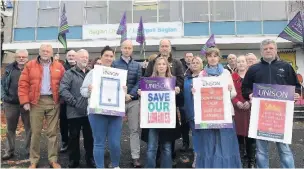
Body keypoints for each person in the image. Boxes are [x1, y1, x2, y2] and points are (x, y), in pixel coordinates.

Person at [242, 39, 301, 168]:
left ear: (275, 50)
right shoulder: (253, 69)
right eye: (265, 49)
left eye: (270, 48)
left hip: (281, 116)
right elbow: (245, 89)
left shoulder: (286, 67)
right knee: (262, 151)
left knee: (284, 149)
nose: (268, 50)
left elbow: (296, 86)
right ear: (261, 51)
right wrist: (249, 94)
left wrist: (296, 94)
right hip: (261, 116)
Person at [18, 44, 65, 168]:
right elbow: (23, 84)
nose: (45, 52)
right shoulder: (30, 65)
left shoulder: (59, 66)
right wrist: (25, 101)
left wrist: (62, 99)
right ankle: (34, 160)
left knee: (52, 132)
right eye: (43, 50)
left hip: (53, 101)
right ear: (39, 52)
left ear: (51, 53)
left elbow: (64, 83)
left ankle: (53, 159)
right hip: (35, 102)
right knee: (35, 132)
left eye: (48, 51)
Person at [194, 47, 241, 168]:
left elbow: (233, 94)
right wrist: (195, 91)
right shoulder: (202, 74)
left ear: (219, 58)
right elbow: (198, 96)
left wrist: (230, 90)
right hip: (208, 114)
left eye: (215, 56)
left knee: (225, 142)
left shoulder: (226, 73)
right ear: (207, 58)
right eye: (210, 56)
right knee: (209, 143)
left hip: (224, 114)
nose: (213, 58)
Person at [81, 46, 126, 169]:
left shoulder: (118, 74)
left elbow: (122, 95)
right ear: (101, 57)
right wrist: (89, 90)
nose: (109, 58)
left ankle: (116, 166)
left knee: (115, 143)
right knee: (99, 143)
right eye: (106, 55)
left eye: (111, 56)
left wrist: (124, 92)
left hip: (115, 112)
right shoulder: (93, 73)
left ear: (114, 58)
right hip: (96, 112)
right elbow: (83, 91)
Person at [144, 39, 183, 164]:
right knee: (152, 147)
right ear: (159, 48)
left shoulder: (177, 63)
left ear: (170, 48)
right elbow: (145, 81)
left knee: (167, 146)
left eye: (167, 46)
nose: (165, 48)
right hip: (153, 114)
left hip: (168, 111)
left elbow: (180, 80)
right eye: (162, 46)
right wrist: (142, 91)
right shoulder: (151, 63)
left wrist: (177, 88)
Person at [59, 49, 95, 168]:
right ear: (76, 59)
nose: (84, 59)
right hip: (74, 111)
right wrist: (74, 102)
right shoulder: (69, 73)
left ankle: (90, 159)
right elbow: (63, 90)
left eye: (86, 57)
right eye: (82, 57)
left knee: (89, 137)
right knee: (73, 137)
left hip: (89, 112)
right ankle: (74, 160)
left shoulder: (92, 73)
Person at [112, 40, 142, 167]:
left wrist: (130, 95)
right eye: (125, 48)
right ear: (121, 49)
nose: (127, 50)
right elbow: (112, 81)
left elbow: (139, 82)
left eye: (129, 48)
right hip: (117, 101)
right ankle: (115, 159)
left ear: (132, 50)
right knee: (115, 131)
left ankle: (135, 157)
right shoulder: (114, 64)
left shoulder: (137, 65)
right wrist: (123, 95)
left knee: (134, 130)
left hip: (133, 101)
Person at [1, 49, 31, 160]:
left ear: (27, 58)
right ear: (16, 57)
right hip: (10, 103)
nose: (21, 58)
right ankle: (9, 151)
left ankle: (28, 150)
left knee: (29, 127)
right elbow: (2, 83)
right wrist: (3, 96)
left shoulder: (31, 68)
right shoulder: (9, 68)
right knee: (10, 128)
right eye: (19, 57)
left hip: (27, 103)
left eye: (23, 57)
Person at [232, 55, 255, 168]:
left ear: (247, 63)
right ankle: (240, 160)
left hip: (250, 109)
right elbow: (230, 92)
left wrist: (250, 102)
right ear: (236, 64)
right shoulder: (232, 77)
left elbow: (256, 90)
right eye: (238, 62)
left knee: (250, 136)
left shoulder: (252, 76)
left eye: (243, 61)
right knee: (239, 136)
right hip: (238, 110)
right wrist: (237, 102)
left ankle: (251, 160)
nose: (241, 63)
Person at [183, 55, 203, 168]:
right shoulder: (186, 79)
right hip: (191, 112)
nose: (194, 64)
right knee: (195, 135)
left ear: (201, 65)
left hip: (205, 113)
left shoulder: (206, 77)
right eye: (192, 63)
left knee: (205, 136)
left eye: (197, 62)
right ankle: (197, 157)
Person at [60, 50, 77, 153]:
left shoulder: (80, 67)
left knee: (74, 124)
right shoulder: (61, 68)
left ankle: (73, 143)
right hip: (64, 101)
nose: (71, 57)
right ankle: (65, 142)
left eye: (73, 55)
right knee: (64, 124)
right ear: (66, 57)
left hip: (77, 101)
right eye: (69, 55)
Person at [179, 52, 194, 151]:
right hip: (184, 99)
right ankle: (185, 143)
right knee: (184, 124)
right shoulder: (181, 67)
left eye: (190, 57)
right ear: (185, 58)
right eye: (187, 57)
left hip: (194, 101)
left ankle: (196, 145)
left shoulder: (197, 67)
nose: (189, 58)